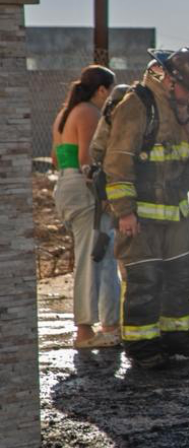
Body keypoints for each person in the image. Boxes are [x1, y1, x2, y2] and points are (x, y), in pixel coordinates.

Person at [100, 48, 189, 369]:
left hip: (176, 215)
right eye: (188, 89)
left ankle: (177, 338)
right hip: (140, 218)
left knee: (181, 276)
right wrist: (124, 212)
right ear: (167, 79)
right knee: (145, 281)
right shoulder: (137, 106)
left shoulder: (184, 113)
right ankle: (142, 347)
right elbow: (117, 161)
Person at [50, 65, 122, 349]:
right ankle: (85, 331)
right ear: (102, 90)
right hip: (85, 190)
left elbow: (57, 160)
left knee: (100, 257)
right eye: (111, 92)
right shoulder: (90, 113)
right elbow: (87, 159)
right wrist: (105, 194)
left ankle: (108, 326)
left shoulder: (65, 114)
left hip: (66, 187)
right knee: (91, 260)